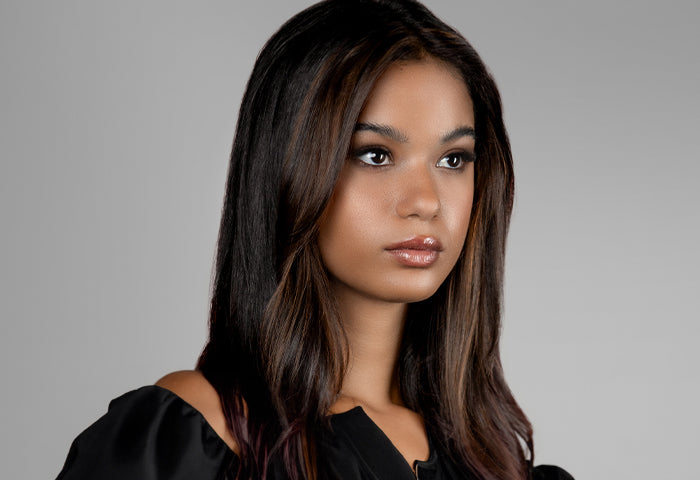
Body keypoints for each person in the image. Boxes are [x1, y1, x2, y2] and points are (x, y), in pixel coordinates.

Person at [56, 1, 573, 479]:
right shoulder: (198, 435)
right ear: (288, 168)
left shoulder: (499, 464)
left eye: (453, 160)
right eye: (375, 154)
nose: (426, 201)